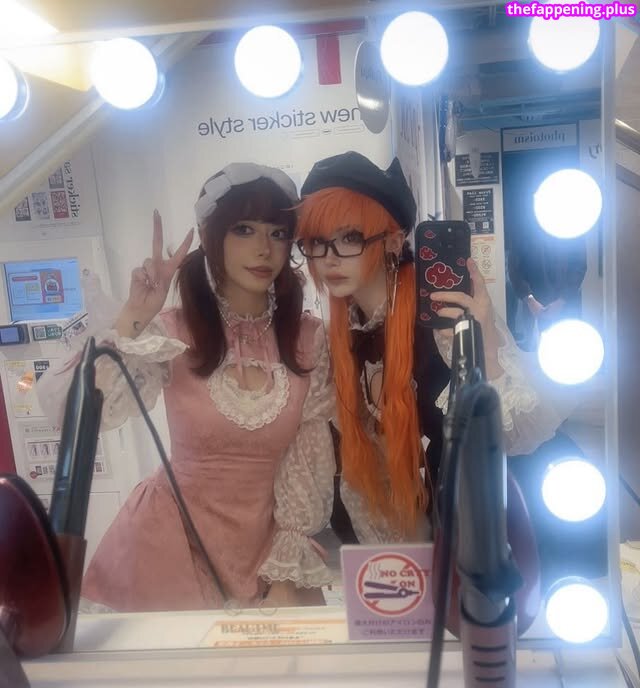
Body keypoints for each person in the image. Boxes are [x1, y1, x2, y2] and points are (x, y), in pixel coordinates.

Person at [37, 163, 335, 612]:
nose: (263, 248)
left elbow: (308, 460)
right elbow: (70, 413)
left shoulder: (308, 339)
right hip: (167, 543)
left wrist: (285, 573)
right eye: (243, 229)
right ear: (211, 237)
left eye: (277, 233)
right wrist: (134, 317)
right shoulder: (172, 331)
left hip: (271, 549)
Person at [295, 151, 566, 542]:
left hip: (468, 534)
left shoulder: (441, 318)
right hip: (392, 546)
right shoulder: (337, 337)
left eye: (350, 238)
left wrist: (485, 340)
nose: (329, 258)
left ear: (393, 240)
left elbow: (518, 433)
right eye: (318, 242)